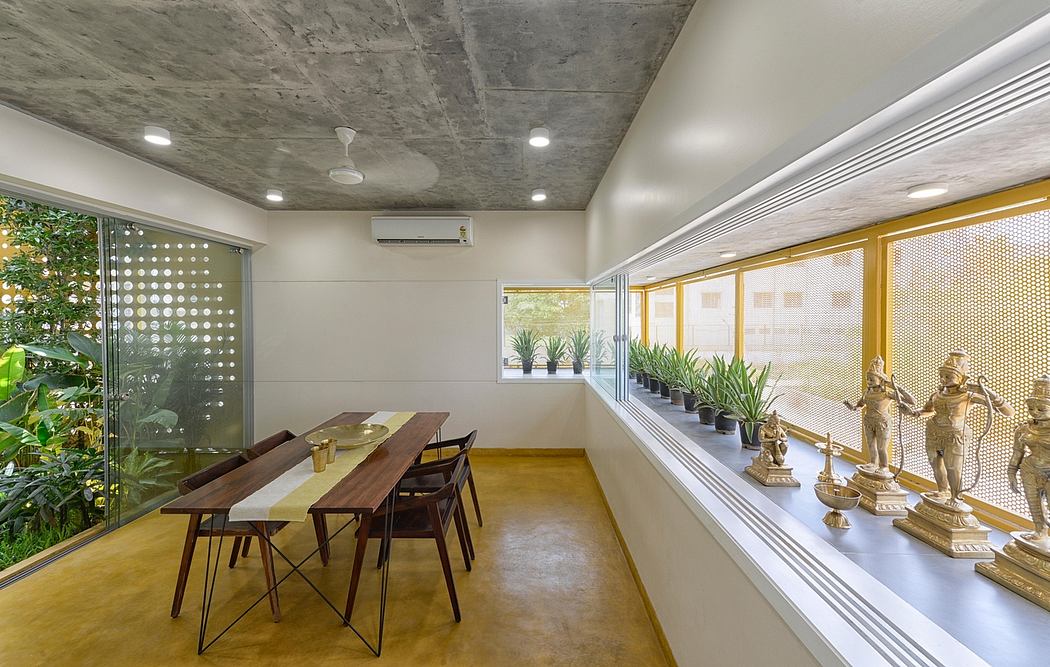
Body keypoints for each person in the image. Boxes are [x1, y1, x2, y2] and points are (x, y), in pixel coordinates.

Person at [907, 350, 1013, 506]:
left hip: (955, 434)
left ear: (961, 378)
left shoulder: (969, 396)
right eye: (942, 376)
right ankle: (943, 490)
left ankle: (956, 496)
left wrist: (987, 392)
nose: (943, 379)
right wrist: (914, 413)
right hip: (934, 432)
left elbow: (1008, 412)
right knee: (936, 463)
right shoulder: (937, 394)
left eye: (948, 377)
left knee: (953, 467)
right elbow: (928, 411)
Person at [844, 355, 915, 477]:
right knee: (871, 445)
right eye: (868, 379)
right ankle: (873, 463)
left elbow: (911, 401)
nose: (869, 381)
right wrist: (852, 406)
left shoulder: (887, 393)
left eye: (872, 379)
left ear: (880, 380)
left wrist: (896, 386)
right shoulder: (867, 392)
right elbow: (860, 405)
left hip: (882, 422)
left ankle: (884, 466)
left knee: (882, 448)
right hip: (868, 421)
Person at [1009, 375, 1050, 542]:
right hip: (1029, 468)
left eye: (1041, 409)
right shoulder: (1024, 429)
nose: (1035, 412)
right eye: (1032, 408)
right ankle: (1039, 530)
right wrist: (1011, 472)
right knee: (1034, 504)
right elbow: (1017, 452)